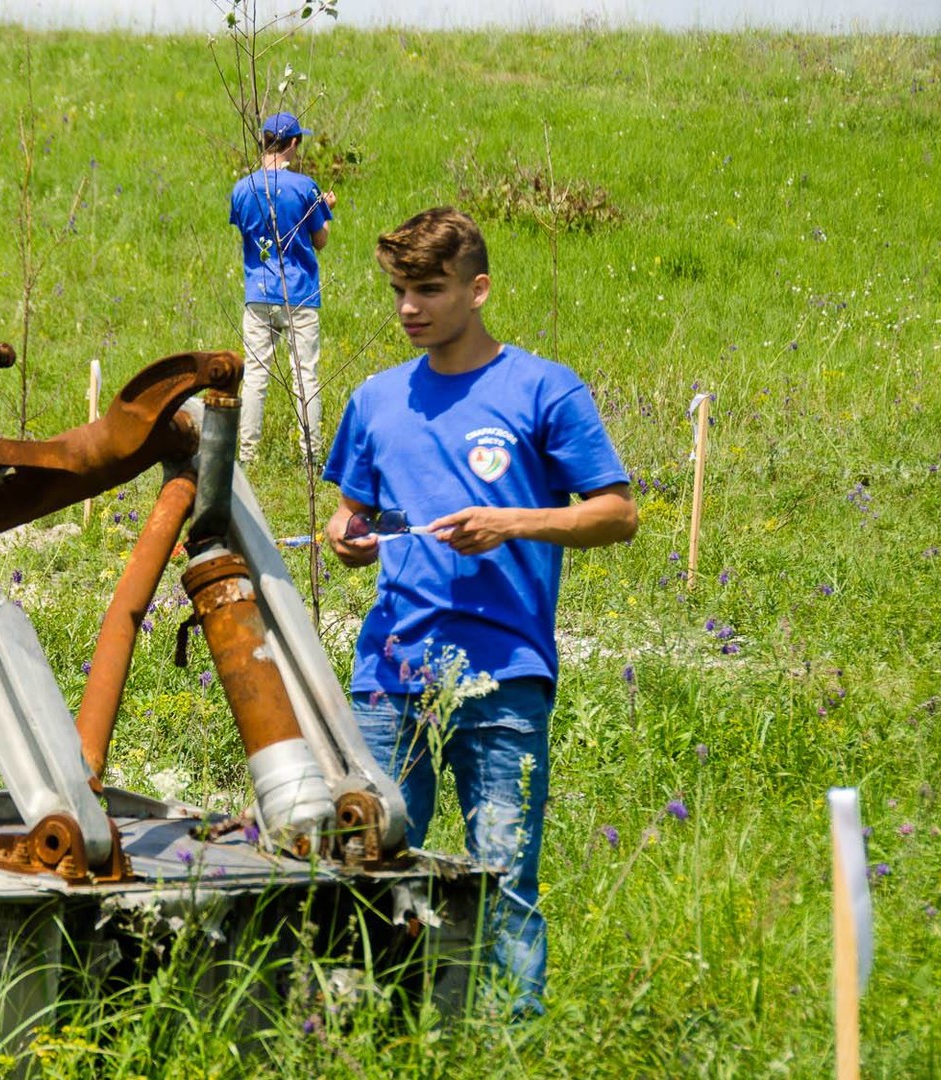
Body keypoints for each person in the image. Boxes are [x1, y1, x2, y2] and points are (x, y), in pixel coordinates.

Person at [322, 207, 637, 1017]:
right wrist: (348, 537)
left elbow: (616, 514)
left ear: (479, 289)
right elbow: (353, 515)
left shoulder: (544, 388)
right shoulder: (377, 399)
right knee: (367, 865)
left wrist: (512, 523)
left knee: (503, 875)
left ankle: (510, 1038)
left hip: (503, 675)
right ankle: (376, 1031)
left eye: (429, 290)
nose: (408, 308)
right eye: (399, 290)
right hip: (390, 676)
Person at [228, 112, 335, 464]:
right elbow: (319, 240)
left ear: (263, 142)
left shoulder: (242, 189)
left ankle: (248, 454)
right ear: (293, 143)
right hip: (299, 292)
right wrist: (325, 209)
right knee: (305, 375)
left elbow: (247, 232)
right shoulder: (305, 188)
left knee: (256, 374)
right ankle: (311, 455)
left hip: (258, 291)